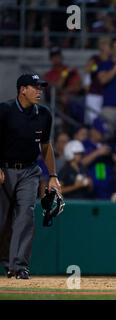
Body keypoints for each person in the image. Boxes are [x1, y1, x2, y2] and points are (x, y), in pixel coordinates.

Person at [0, 74, 61, 279]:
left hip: (29, 170)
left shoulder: (44, 114)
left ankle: (18, 266)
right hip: (4, 169)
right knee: (2, 220)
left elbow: (45, 146)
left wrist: (52, 174)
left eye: (40, 87)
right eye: (34, 87)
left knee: (25, 216)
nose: (39, 91)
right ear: (22, 90)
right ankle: (7, 262)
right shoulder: (5, 110)